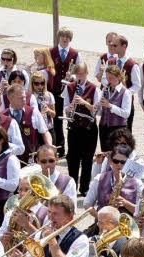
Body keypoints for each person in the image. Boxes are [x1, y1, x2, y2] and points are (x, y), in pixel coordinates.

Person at [62, 63, 99, 192]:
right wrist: (69, 108)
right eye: (77, 74)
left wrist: (84, 103)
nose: (80, 77)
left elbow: (97, 110)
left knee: (87, 158)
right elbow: (65, 108)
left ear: (86, 73)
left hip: (89, 128)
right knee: (73, 158)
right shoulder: (69, 87)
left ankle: (84, 187)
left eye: (82, 74)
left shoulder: (94, 88)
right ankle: (72, 187)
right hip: (74, 127)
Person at [49, 27, 81, 154]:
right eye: (63, 36)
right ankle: (59, 147)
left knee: (69, 117)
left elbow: (79, 72)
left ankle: (72, 147)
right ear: (59, 37)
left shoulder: (75, 53)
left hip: (68, 90)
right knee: (56, 119)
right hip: (54, 89)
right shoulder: (51, 51)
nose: (65, 38)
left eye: (67, 37)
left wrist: (71, 77)